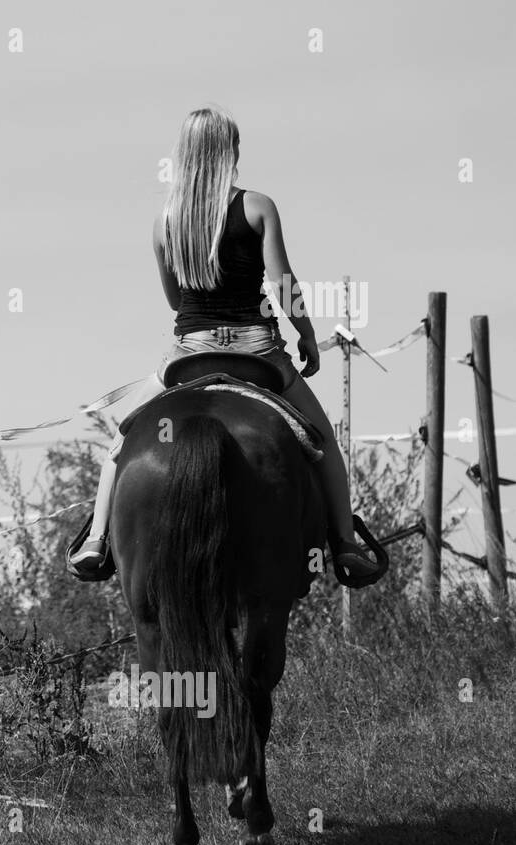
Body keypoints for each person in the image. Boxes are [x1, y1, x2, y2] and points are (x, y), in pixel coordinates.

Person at [73, 106, 378, 579]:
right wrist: (308, 337)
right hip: (257, 352)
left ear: (183, 157)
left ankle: (95, 540)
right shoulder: (258, 206)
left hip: (190, 353)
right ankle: (344, 545)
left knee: (121, 442)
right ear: (228, 153)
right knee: (324, 443)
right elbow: (282, 283)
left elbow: (176, 299)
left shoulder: (165, 222)